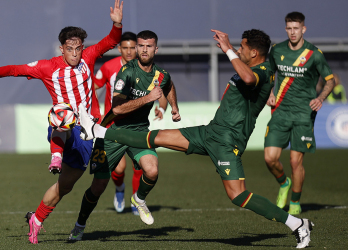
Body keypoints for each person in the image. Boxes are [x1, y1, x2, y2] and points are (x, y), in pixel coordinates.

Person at [79, 28, 315, 249]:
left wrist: (227, 50)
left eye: (242, 48)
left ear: (253, 53)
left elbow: (251, 80)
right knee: (156, 138)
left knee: (238, 195)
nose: (238, 50)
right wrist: (173, 107)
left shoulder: (262, 72)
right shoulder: (256, 69)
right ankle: (99, 131)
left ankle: (296, 224)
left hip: (227, 142)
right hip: (210, 132)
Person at [0, 0, 123, 244]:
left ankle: (38, 219)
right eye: (69, 48)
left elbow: (111, 40)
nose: (74, 53)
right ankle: (56, 154)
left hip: (90, 132)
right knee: (61, 113)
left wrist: (117, 23)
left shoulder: (89, 56)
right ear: (61, 49)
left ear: (82, 48)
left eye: (78, 48)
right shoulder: (47, 67)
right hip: (65, 128)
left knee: (67, 187)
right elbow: (16, 69)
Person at [68, 30, 180, 241]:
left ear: (156, 49)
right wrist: (148, 98)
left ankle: (139, 198)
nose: (144, 50)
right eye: (141, 46)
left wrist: (172, 107)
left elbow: (169, 85)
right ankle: (79, 225)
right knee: (98, 186)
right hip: (113, 132)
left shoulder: (161, 73)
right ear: (136, 48)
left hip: (139, 132)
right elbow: (118, 109)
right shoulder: (126, 72)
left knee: (152, 171)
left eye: (149, 46)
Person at [264, 12, 335, 215]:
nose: (292, 32)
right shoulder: (276, 50)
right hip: (280, 111)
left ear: (303, 29)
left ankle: (295, 201)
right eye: (289, 28)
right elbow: (268, 73)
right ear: (285, 29)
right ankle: (283, 183)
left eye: (296, 28)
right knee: (270, 158)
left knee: (296, 161)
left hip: (304, 114)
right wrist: (269, 92)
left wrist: (320, 98)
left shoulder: (314, 54)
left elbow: (330, 80)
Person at [93, 31, 168, 215]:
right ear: (119, 49)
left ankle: (136, 199)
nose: (128, 52)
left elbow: (163, 92)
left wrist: (163, 108)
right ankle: (119, 189)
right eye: (124, 48)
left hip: (138, 126)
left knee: (143, 166)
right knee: (118, 169)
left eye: (131, 48)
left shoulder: (149, 71)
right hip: (113, 124)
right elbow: (92, 87)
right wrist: (94, 111)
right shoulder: (109, 68)